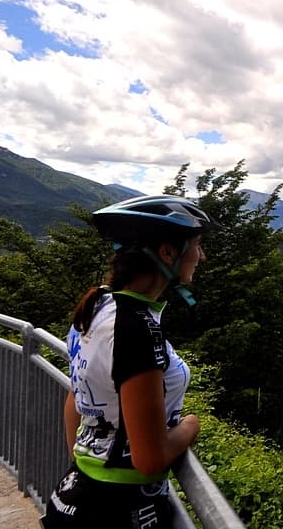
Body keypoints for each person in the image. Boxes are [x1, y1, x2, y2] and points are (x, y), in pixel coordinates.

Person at [41, 195, 217, 528]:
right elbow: (149, 459)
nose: (201, 256)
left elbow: (76, 398)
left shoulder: (97, 306)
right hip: (121, 509)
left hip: (75, 495)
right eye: (197, 245)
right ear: (168, 252)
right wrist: (191, 426)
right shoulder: (136, 328)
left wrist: (84, 465)